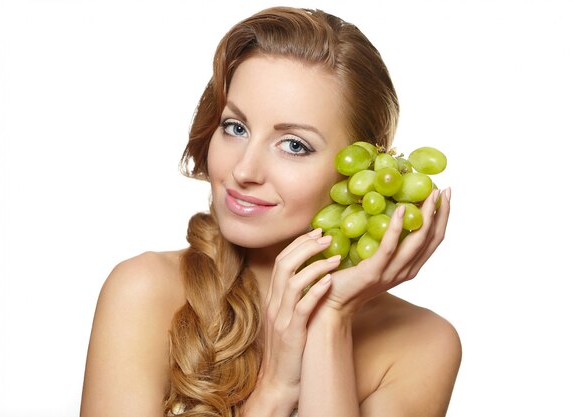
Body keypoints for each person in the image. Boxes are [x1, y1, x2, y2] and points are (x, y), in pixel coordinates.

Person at [80, 6, 461, 417]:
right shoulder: (143, 293)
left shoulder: (422, 343)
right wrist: (276, 390)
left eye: (294, 145)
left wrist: (330, 319)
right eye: (235, 128)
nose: (243, 170)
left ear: (360, 168)